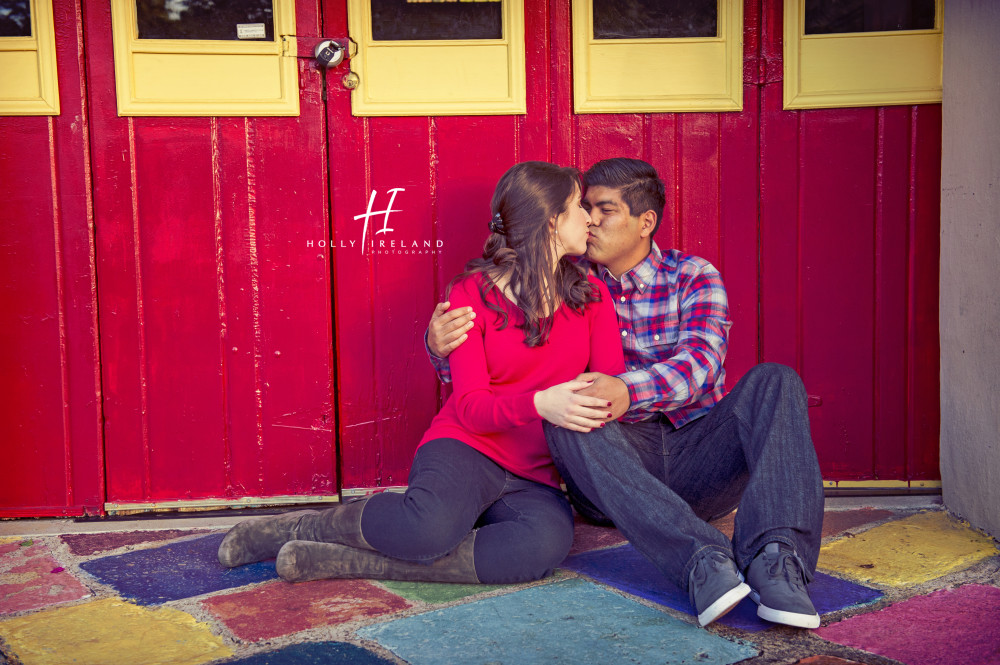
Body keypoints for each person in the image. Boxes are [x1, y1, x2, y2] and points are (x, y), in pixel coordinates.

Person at [427, 158, 824, 628]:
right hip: (613, 469)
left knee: (776, 380)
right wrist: (440, 347)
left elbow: (700, 364)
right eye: (584, 208)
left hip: (697, 453)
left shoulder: (693, 276)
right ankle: (702, 562)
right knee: (571, 416)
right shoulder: (564, 279)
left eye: (605, 210)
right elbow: (502, 352)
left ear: (645, 222)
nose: (590, 220)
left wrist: (624, 388)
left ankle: (776, 561)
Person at [217, 161, 625, 585]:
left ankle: (341, 560)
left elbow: (609, 386)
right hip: (467, 448)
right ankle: (298, 528)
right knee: (428, 529)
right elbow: (470, 409)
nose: (590, 217)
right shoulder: (472, 295)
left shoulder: (591, 297)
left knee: (536, 551)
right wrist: (542, 403)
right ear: (552, 220)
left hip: (537, 474)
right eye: (580, 205)